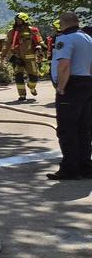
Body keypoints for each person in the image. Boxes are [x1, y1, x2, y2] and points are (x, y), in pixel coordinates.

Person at [46, 12, 92, 180]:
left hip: (72, 86)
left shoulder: (66, 38)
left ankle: (70, 169)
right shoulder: (88, 38)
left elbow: (64, 65)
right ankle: (86, 167)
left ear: (63, 23)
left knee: (67, 129)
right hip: (87, 84)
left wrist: (61, 87)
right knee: (84, 129)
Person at [4, 12, 45, 101]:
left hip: (30, 58)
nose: (18, 22)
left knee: (34, 77)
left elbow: (39, 41)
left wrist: (41, 48)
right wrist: (2, 56)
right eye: (16, 20)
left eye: (20, 20)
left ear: (25, 20)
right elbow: (6, 44)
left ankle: (31, 86)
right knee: (18, 76)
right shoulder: (12, 32)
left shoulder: (33, 30)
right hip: (17, 58)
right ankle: (22, 95)